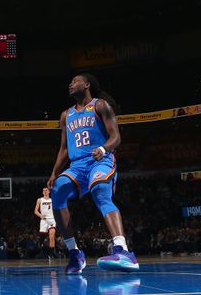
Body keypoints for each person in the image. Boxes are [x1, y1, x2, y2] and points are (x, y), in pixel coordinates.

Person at [46, 73, 138, 274]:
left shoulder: (100, 105)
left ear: (86, 84)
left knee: (99, 192)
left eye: (75, 81)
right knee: (58, 191)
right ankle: (74, 254)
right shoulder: (66, 115)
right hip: (77, 165)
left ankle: (123, 251)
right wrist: (54, 173)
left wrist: (104, 149)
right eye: (69, 82)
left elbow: (116, 137)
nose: (70, 84)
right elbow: (63, 148)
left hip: (100, 159)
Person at [35, 186, 57, 259]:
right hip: (44, 220)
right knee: (42, 236)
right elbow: (35, 211)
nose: (45, 191)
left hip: (52, 219)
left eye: (46, 190)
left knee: (51, 236)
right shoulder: (39, 200)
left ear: (49, 192)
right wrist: (40, 215)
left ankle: (51, 253)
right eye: (43, 190)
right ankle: (40, 245)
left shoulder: (52, 199)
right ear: (42, 192)